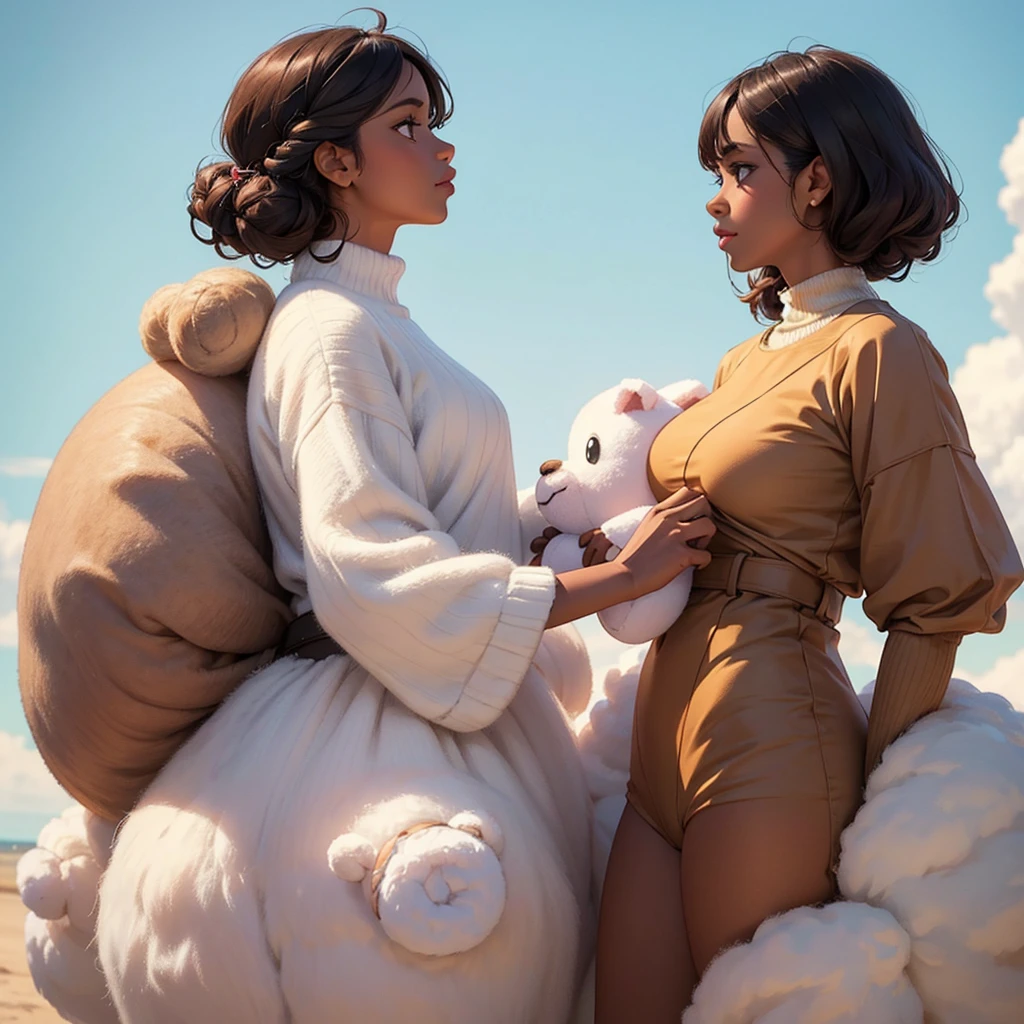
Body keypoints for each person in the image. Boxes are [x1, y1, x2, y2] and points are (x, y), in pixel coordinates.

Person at [92, 16, 714, 1024]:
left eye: (434, 123)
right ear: (335, 158)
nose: (443, 148)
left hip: (423, 697)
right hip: (382, 728)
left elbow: (425, 524)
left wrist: (540, 536)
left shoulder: (370, 321)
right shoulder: (331, 329)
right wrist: (620, 580)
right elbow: (364, 563)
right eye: (410, 125)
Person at [594, 46, 1024, 1022]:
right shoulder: (741, 360)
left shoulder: (883, 352)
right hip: (658, 746)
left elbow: (938, 598)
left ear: (818, 180)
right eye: (716, 172)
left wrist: (881, 804)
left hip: (773, 737)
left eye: (740, 171)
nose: (716, 198)